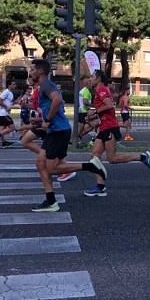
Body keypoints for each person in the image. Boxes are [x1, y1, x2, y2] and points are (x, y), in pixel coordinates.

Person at [29, 60, 110, 211]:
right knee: (41, 164)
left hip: (58, 131)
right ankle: (51, 201)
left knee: (52, 169)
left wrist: (47, 120)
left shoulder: (45, 84)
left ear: (40, 71)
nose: (30, 71)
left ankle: (91, 166)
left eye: (32, 69)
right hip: (56, 131)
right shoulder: (46, 85)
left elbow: (58, 100)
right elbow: (57, 102)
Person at [83, 69, 150, 198]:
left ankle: (142, 157)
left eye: (92, 76)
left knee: (112, 158)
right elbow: (105, 108)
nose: (90, 78)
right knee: (94, 156)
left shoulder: (101, 89)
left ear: (98, 78)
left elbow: (110, 105)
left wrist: (94, 112)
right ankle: (100, 187)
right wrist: (93, 114)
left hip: (109, 128)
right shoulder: (99, 90)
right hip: (104, 127)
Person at [0, 80, 17, 148]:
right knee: (12, 128)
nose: (15, 85)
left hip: (3, 113)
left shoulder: (10, 93)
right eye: (13, 84)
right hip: (3, 114)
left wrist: (15, 102)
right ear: (9, 85)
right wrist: (6, 107)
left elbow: (9, 102)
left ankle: (2, 143)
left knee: (1, 130)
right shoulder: (6, 92)